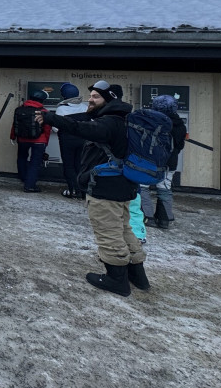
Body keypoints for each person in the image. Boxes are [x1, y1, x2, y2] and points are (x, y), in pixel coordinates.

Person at [39, 80, 147, 296]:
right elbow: (82, 120)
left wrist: (51, 117)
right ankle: (138, 275)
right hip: (122, 185)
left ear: (108, 100)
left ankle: (116, 280)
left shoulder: (109, 123)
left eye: (96, 96)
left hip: (106, 187)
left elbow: (80, 128)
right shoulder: (122, 119)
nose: (90, 99)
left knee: (108, 233)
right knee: (124, 229)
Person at [140, 95, 188, 230]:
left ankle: (147, 216)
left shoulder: (151, 121)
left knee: (143, 186)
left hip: (150, 160)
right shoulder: (180, 124)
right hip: (170, 162)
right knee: (165, 188)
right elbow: (180, 145)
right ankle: (164, 219)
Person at [10, 89, 52, 193]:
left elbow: (14, 124)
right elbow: (47, 129)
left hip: (22, 139)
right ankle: (30, 185)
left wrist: (13, 136)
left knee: (21, 158)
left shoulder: (19, 109)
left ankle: (24, 178)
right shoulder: (44, 112)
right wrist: (46, 142)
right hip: (39, 140)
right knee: (35, 162)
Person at [55, 82, 89, 198]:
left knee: (69, 166)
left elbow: (55, 128)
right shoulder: (85, 107)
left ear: (64, 96)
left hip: (67, 141)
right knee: (80, 165)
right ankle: (83, 190)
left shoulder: (61, 109)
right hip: (83, 140)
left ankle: (73, 190)